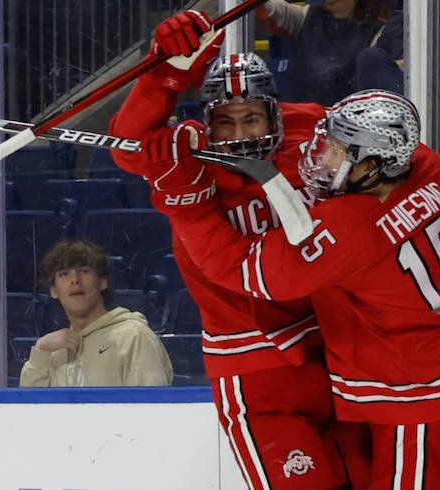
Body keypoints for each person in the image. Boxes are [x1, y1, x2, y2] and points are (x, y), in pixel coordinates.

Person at [147, 88, 440, 489]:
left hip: (425, 394)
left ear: (372, 164)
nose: (320, 157)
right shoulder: (427, 181)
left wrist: (186, 205)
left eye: (335, 148)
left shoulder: (349, 226)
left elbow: (244, 269)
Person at [110, 11, 370, 489]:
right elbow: (126, 147)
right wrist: (164, 74)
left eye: (251, 117)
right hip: (257, 366)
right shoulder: (188, 152)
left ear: (275, 110)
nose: (240, 134)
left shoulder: (309, 127)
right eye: (224, 122)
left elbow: (383, 147)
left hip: (338, 353)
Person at [19, 239, 173, 387]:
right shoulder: (52, 350)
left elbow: (151, 409)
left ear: (102, 282)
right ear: (53, 290)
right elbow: (29, 410)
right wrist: (40, 352)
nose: (75, 280)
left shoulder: (135, 337)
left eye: (84, 271)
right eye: (64, 274)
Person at [256, 0, 395, 105]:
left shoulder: (380, 33)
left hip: (342, 129)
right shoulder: (305, 16)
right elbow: (266, 7)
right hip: (298, 122)